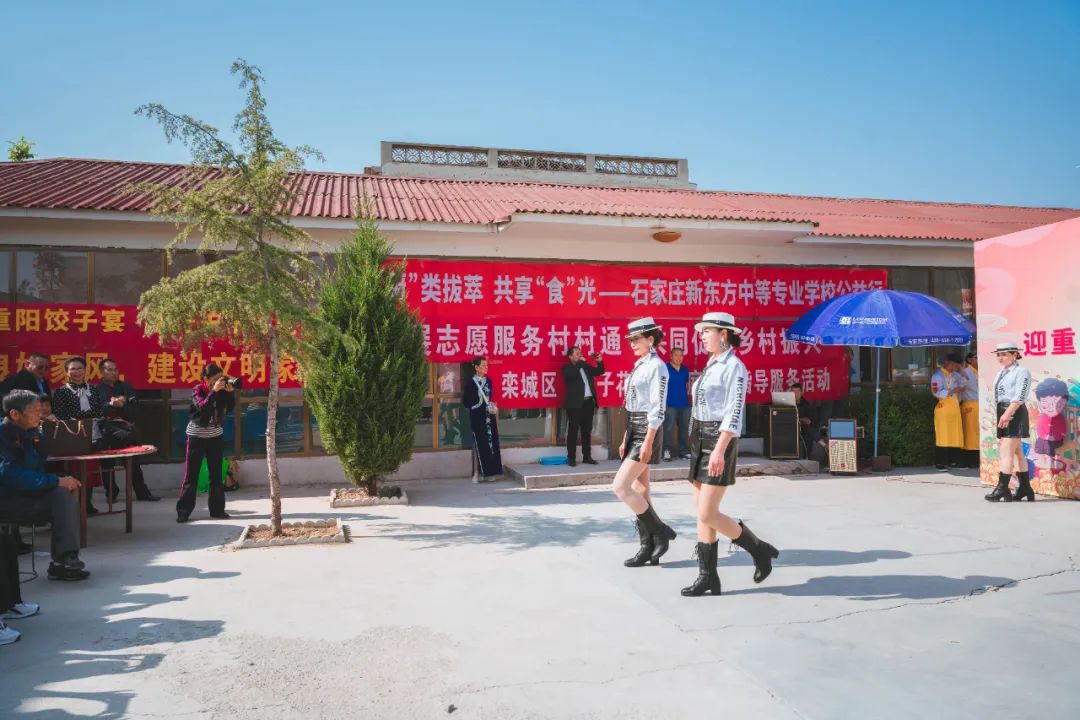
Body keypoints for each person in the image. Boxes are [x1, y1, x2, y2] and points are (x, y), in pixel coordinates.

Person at [682, 312, 778, 597]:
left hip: (718, 440)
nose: (701, 336)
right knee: (703, 514)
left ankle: (759, 549)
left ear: (723, 334)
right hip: (700, 438)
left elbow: (734, 412)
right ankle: (708, 577)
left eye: (706, 331)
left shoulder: (734, 366)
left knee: (707, 512)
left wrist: (719, 449)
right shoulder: (712, 363)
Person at [0, 389, 89, 582]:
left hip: (28, 495)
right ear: (15, 414)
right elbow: (9, 475)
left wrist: (39, 436)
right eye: (34, 411)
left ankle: (64, 560)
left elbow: (39, 465)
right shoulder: (3, 435)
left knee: (63, 497)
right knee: (59, 490)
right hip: (6, 499)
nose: (39, 415)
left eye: (40, 410)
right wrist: (55, 480)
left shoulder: (32, 433)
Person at [615, 317, 677, 567]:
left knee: (621, 487)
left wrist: (648, 441)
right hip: (634, 428)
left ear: (650, 340)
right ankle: (648, 547)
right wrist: (625, 436)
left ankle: (660, 531)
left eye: (636, 339)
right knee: (641, 489)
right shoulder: (640, 364)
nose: (632, 343)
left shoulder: (657, 367)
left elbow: (657, 408)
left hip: (647, 431)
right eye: (630, 340)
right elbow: (634, 405)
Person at [176, 364, 236, 523]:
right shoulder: (197, 390)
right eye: (216, 379)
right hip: (196, 436)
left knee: (216, 475)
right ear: (206, 379)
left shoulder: (221, 390)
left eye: (221, 378)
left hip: (215, 435)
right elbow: (202, 406)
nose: (219, 381)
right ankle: (183, 511)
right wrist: (214, 391)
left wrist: (230, 393)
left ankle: (217, 510)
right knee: (191, 475)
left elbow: (229, 407)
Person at [94, 358, 159, 501]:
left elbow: (135, 406)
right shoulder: (96, 390)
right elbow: (96, 410)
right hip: (106, 430)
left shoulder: (125, 387)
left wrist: (123, 404)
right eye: (109, 370)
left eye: (115, 370)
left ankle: (142, 493)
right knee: (107, 465)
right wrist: (111, 405)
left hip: (125, 429)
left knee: (133, 463)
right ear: (102, 372)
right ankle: (111, 494)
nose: (113, 372)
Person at [51, 356, 106, 513]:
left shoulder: (93, 389)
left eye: (79, 368)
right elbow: (60, 415)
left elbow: (99, 411)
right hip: (72, 435)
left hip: (92, 433)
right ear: (67, 372)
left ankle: (87, 503)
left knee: (90, 469)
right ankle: (75, 504)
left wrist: (93, 420)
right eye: (72, 369)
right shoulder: (62, 392)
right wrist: (76, 420)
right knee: (75, 469)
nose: (76, 372)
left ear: (85, 370)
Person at [986, 342, 1033, 502]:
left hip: (1014, 411)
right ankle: (1025, 488)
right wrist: (1001, 414)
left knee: (1006, 452)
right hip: (1004, 411)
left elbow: (1020, 396)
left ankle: (1002, 488)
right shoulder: (1001, 372)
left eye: (1004, 354)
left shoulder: (1022, 371)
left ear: (1015, 355)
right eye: (998, 355)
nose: (1000, 357)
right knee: (1018, 452)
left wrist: (1007, 414)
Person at [561, 345, 604, 466]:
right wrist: (580, 362)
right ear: (570, 357)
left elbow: (599, 372)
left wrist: (599, 362)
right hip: (574, 404)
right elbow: (572, 373)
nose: (580, 355)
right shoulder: (567, 368)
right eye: (577, 353)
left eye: (580, 352)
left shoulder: (585, 367)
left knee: (587, 431)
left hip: (588, 402)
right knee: (573, 431)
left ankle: (587, 456)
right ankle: (571, 458)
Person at [463, 357, 502, 481]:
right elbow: (466, 402)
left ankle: (490, 472)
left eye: (487, 365)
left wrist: (493, 407)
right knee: (479, 444)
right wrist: (476, 407)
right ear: (476, 367)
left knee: (491, 443)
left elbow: (490, 398)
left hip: (489, 417)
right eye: (483, 365)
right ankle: (477, 473)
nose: (486, 367)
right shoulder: (471, 382)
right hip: (477, 417)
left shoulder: (488, 381)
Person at [930, 353, 966, 470]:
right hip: (943, 408)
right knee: (943, 435)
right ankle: (940, 462)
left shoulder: (955, 374)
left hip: (954, 408)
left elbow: (965, 382)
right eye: (953, 365)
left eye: (956, 366)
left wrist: (961, 370)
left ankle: (953, 461)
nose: (954, 368)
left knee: (955, 434)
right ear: (947, 362)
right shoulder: (937, 376)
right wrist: (953, 391)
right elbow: (936, 392)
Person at [662, 347, 691, 462]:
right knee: (668, 428)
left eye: (681, 355)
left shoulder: (684, 369)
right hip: (670, 404)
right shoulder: (665, 368)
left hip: (684, 404)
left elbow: (687, 385)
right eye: (676, 355)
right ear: (671, 356)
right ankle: (666, 451)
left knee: (684, 428)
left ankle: (683, 452)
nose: (679, 357)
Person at [790, 382, 828, 464]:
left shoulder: (807, 405)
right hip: (790, 428)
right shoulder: (788, 404)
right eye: (793, 392)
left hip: (803, 429)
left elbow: (812, 421)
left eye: (797, 391)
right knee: (808, 429)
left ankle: (808, 456)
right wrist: (800, 419)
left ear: (802, 393)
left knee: (807, 430)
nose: (795, 394)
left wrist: (807, 420)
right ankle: (824, 445)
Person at [959, 351, 980, 469]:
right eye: (976, 357)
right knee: (969, 434)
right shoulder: (965, 373)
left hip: (980, 405)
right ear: (969, 360)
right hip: (970, 405)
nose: (979, 360)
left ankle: (977, 459)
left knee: (978, 433)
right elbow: (959, 390)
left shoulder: (980, 371)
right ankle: (969, 460)